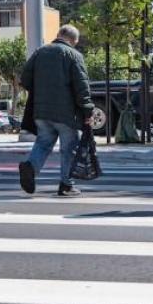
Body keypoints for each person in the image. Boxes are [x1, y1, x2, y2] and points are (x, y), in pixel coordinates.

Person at [18, 24, 94, 197]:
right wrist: (87, 110)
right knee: (69, 148)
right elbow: (82, 87)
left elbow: (25, 79)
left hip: (41, 111)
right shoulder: (74, 55)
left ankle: (31, 166)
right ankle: (66, 185)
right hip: (66, 114)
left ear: (58, 34)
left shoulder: (40, 52)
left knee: (43, 143)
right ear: (74, 41)